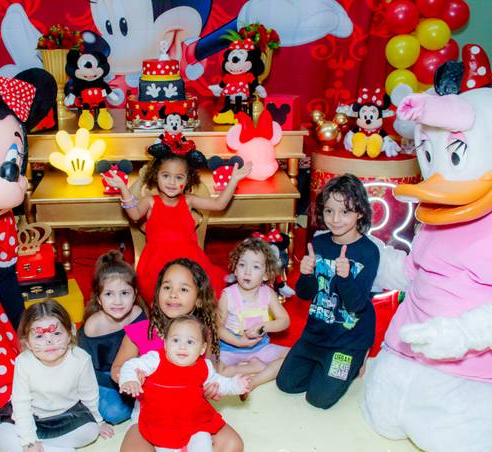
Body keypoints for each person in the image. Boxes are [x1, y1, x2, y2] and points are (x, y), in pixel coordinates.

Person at [111, 259, 255, 452]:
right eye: (167, 287)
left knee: (232, 448)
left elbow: (209, 375)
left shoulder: (202, 335)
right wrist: (131, 378)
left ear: (198, 299)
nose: (173, 294)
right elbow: (117, 368)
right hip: (150, 418)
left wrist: (213, 389)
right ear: (158, 292)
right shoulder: (140, 331)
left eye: (184, 289)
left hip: (192, 418)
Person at [120, 315, 251, 452]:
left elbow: (220, 383)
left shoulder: (204, 366)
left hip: (195, 424)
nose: (182, 347)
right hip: (162, 429)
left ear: (202, 349)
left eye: (190, 342)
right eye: (175, 340)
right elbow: (130, 365)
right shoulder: (155, 359)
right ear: (165, 344)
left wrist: (236, 385)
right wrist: (130, 379)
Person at [104, 139, 252, 303]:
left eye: (179, 177)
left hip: (189, 261)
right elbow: (134, 214)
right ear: (156, 175)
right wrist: (123, 189)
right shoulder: (150, 201)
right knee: (162, 295)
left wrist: (234, 180)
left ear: (187, 180)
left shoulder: (188, 200)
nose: (172, 182)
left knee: (196, 294)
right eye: (166, 175)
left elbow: (219, 204)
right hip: (156, 264)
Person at [277, 174, 378, 409]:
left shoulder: (369, 251)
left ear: (360, 213)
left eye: (345, 212)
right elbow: (304, 294)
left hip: (349, 340)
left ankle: (358, 358)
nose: (335, 219)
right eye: (329, 211)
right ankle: (322, 365)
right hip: (316, 334)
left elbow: (356, 305)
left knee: (318, 399)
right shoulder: (318, 243)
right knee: (286, 384)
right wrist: (306, 273)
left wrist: (345, 277)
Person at [0, 300, 113, 452]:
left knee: (91, 432)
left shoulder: (80, 358)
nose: (49, 341)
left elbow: (89, 394)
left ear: (70, 333)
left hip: (66, 416)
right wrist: (29, 441)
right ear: (27, 342)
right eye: (39, 336)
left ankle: (21, 449)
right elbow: (21, 403)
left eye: (56, 334)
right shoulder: (23, 362)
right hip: (31, 416)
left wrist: (98, 421)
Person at [77, 251, 146, 424]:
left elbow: (145, 349)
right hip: (104, 378)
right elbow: (87, 369)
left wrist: (137, 374)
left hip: (133, 368)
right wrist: (120, 381)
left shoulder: (137, 313)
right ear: (99, 298)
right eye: (109, 294)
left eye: (125, 293)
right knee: (115, 413)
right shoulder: (93, 326)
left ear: (135, 294)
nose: (118, 301)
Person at [217, 237, 290, 391]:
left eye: (256, 266)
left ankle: (255, 380)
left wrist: (264, 326)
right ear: (235, 269)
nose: (247, 271)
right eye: (242, 265)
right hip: (230, 350)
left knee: (292, 356)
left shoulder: (268, 293)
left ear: (266, 275)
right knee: (211, 369)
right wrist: (237, 342)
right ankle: (247, 368)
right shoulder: (227, 295)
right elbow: (217, 327)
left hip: (260, 348)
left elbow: (284, 321)